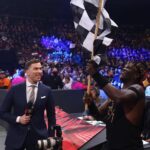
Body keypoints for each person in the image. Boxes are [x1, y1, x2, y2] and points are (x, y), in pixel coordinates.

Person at [84, 60, 146, 150]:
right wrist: (90, 104)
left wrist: (95, 74)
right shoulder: (116, 94)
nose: (124, 68)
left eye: (128, 68)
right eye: (124, 66)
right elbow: (98, 115)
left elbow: (118, 97)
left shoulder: (138, 89)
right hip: (111, 145)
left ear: (136, 75)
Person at [0, 59, 56, 150]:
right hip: (15, 137)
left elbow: (51, 116)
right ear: (27, 72)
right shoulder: (15, 90)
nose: (39, 71)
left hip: (39, 138)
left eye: (40, 69)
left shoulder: (47, 90)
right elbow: (2, 112)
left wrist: (51, 135)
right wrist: (18, 119)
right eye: (36, 69)